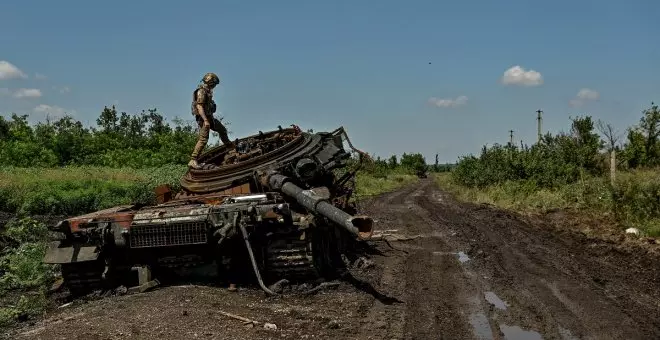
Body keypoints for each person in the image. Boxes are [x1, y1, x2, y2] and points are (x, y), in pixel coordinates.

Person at [189, 72, 233, 169]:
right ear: (210, 82)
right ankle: (193, 160)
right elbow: (199, 106)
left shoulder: (207, 91)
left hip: (210, 117)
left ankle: (230, 147)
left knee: (222, 130)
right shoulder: (201, 91)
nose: (214, 86)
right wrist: (205, 120)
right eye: (214, 84)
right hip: (204, 119)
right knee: (203, 139)